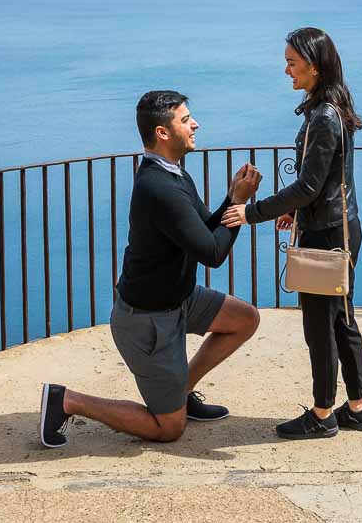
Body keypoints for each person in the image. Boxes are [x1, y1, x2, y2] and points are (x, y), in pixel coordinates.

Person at [39, 90, 262, 446]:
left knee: (244, 319)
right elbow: (212, 253)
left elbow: (205, 229)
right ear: (163, 132)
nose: (195, 125)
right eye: (186, 120)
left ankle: (180, 392)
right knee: (168, 428)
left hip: (178, 299)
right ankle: (67, 400)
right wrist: (238, 203)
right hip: (147, 320)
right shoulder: (159, 188)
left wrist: (232, 200)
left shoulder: (173, 175)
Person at [222, 27, 362, 439]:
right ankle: (357, 407)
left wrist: (252, 212)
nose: (286, 69)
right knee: (342, 320)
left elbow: (308, 186)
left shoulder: (324, 116)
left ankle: (323, 415)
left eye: (292, 62)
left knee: (319, 327)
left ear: (315, 65)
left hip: (326, 234)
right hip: (338, 226)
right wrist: (296, 211)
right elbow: (320, 184)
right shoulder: (331, 107)